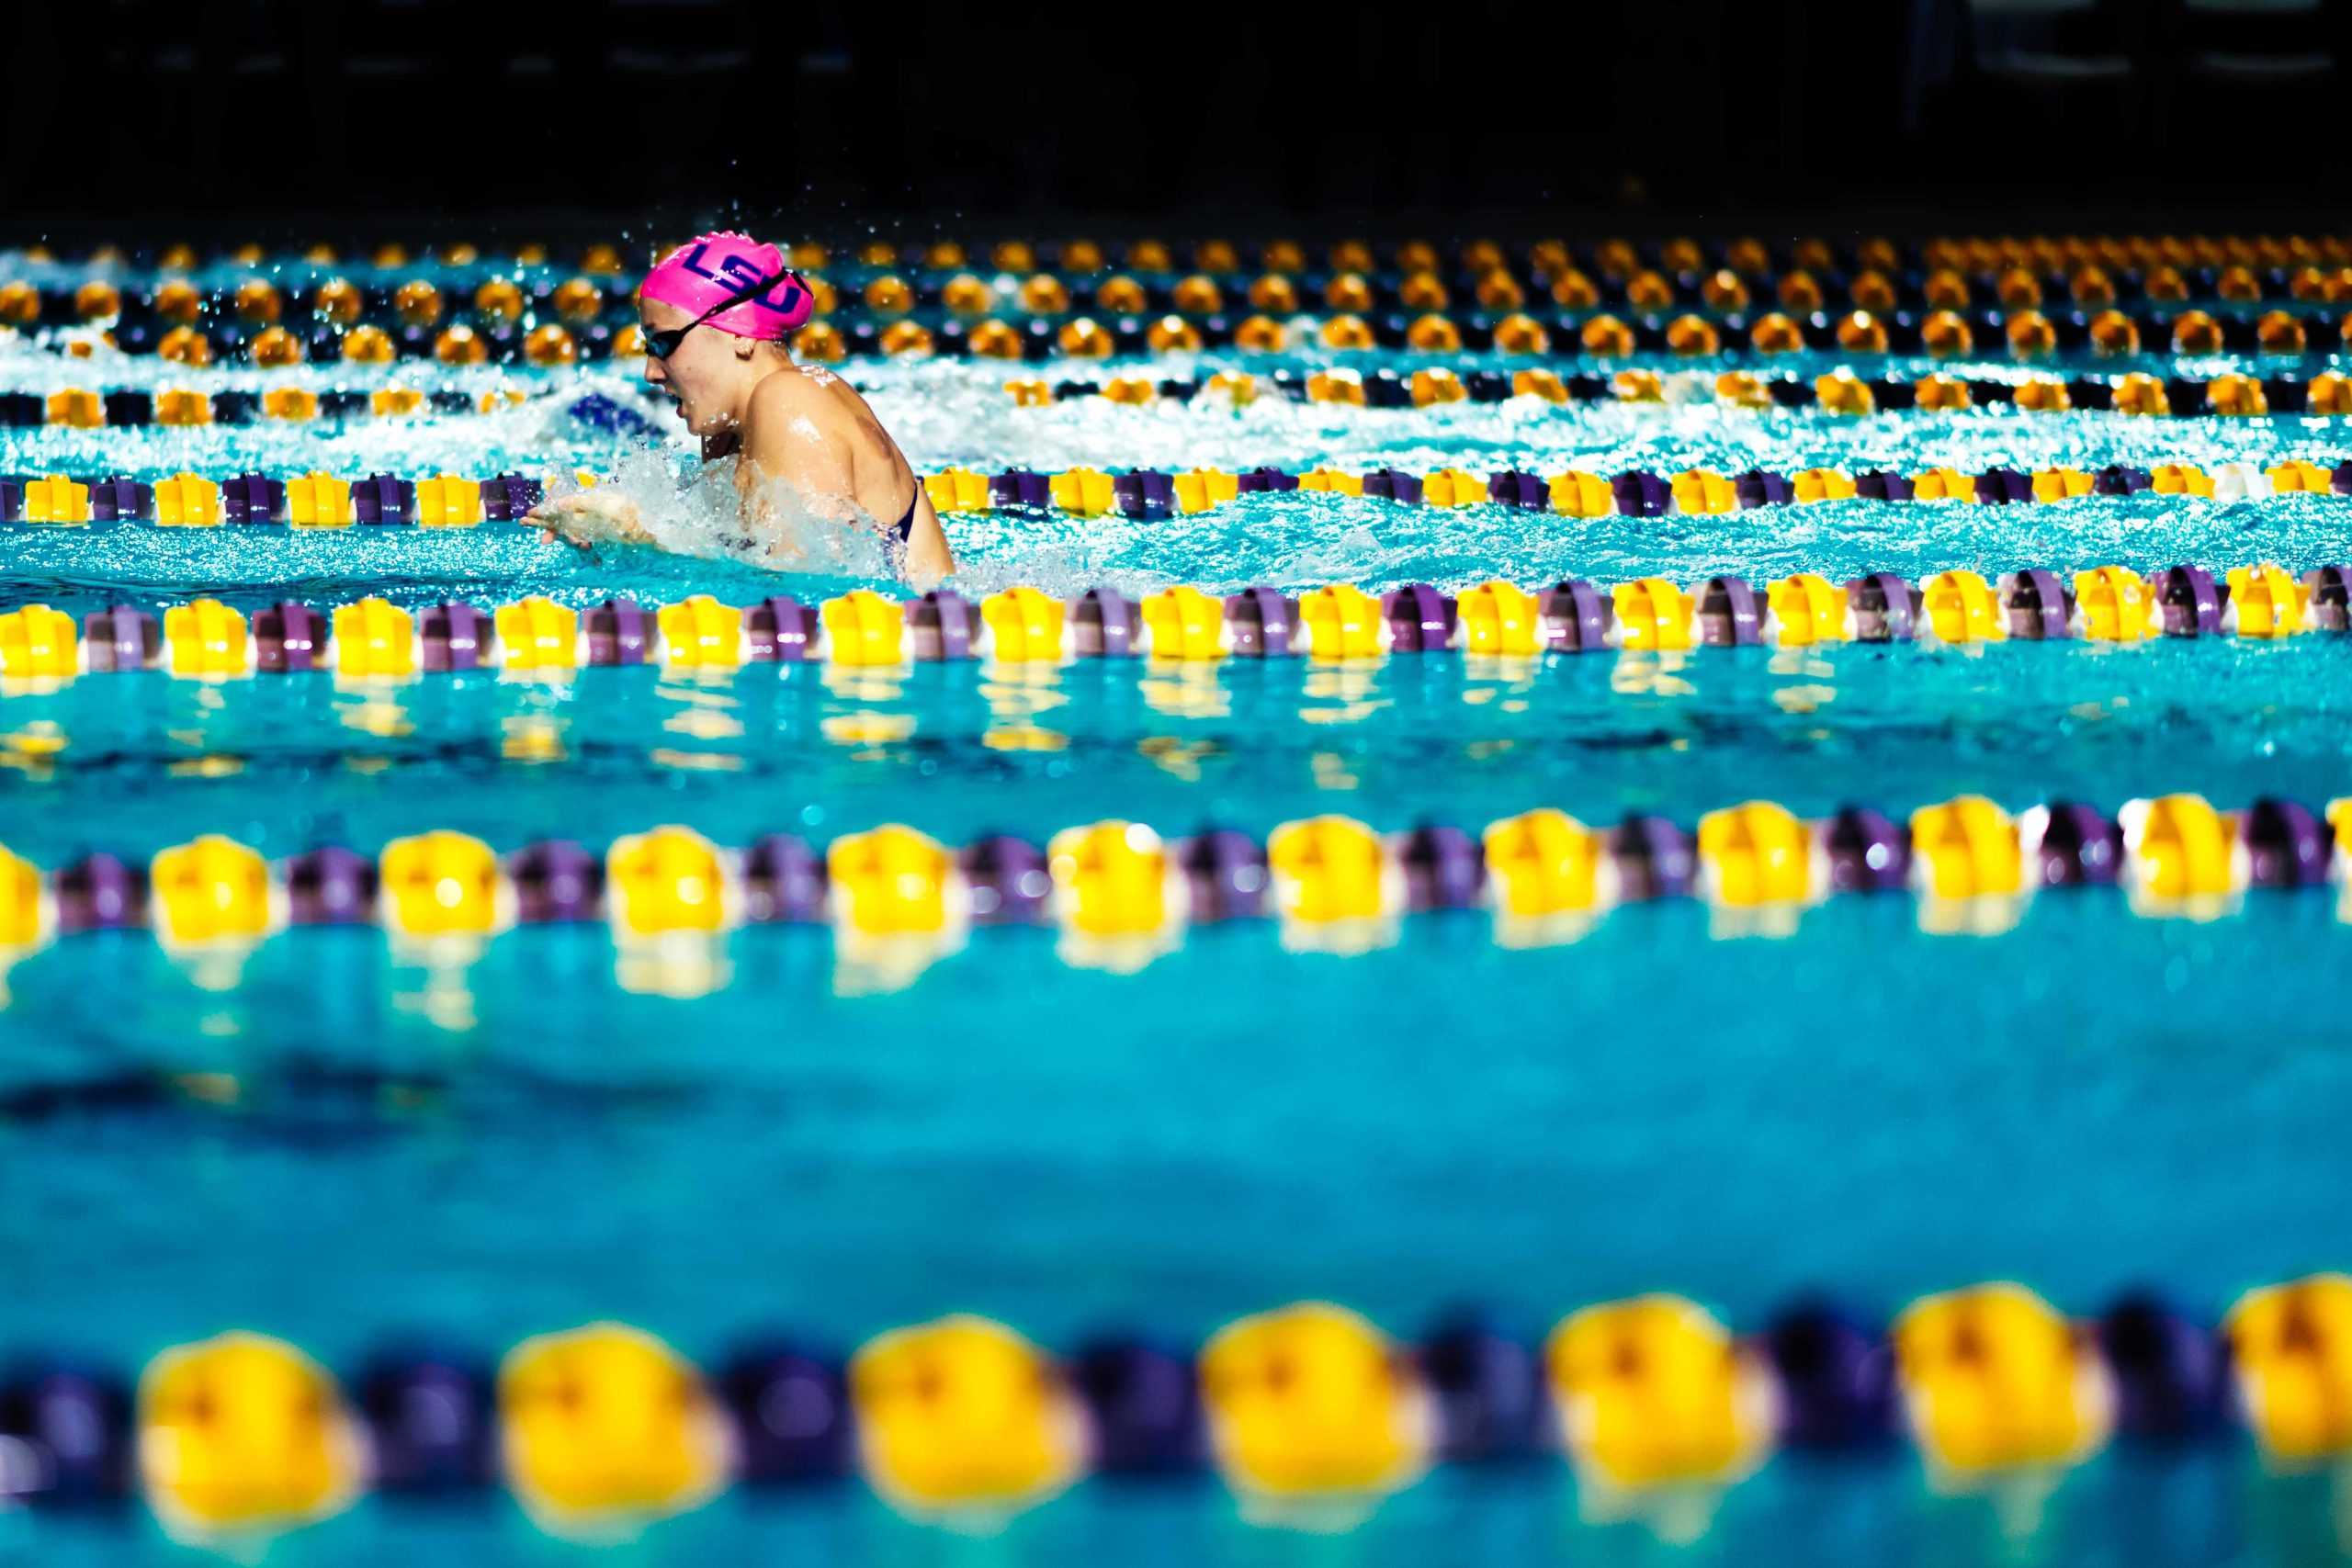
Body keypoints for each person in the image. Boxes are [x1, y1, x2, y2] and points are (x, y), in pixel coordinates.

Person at [530, 231, 956, 584]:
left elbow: (808, 586)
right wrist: (609, 539)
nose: (651, 373)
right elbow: (736, 573)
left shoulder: (791, 400)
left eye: (663, 343)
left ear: (738, 331)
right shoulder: (729, 433)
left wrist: (639, 533)